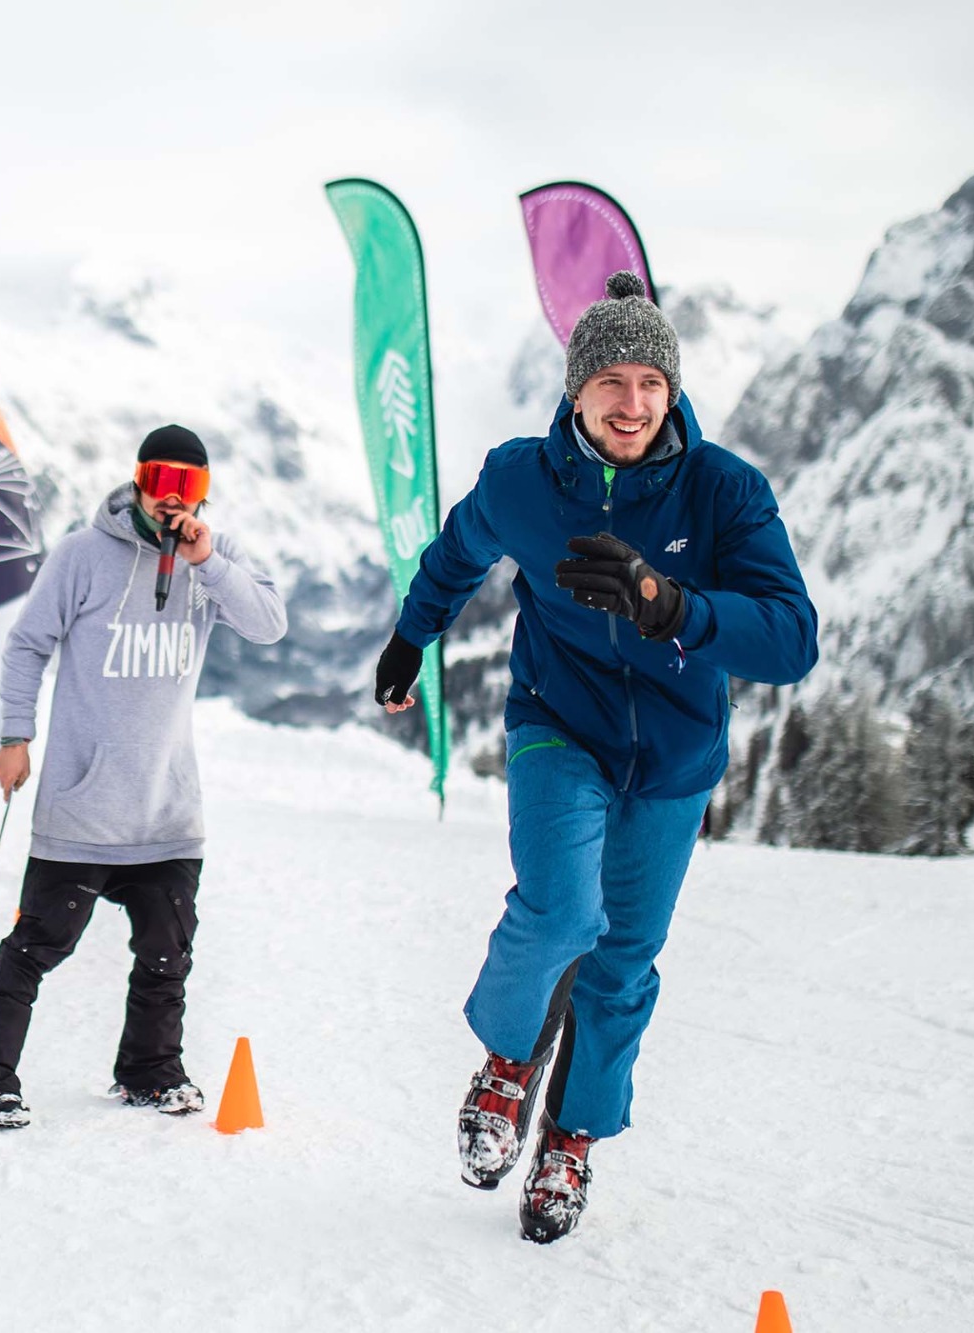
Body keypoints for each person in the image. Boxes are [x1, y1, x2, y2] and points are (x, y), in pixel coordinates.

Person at [373, 273, 818, 1243]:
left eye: (648, 382)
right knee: (559, 910)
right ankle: (505, 1066)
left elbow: (790, 638)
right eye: (608, 380)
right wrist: (413, 634)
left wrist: (674, 608)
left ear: (669, 390)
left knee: (620, 961)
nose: (629, 402)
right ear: (574, 389)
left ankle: (568, 1138)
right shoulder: (522, 479)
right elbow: (456, 551)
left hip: (672, 755)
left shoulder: (722, 491)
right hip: (555, 722)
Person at [0, 424, 287, 1129]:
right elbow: (27, 645)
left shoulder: (215, 558)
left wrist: (208, 562)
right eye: (161, 479)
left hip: (166, 808)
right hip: (83, 803)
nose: (172, 497)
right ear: (138, 480)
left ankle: (148, 1071)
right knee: (37, 946)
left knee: (169, 954)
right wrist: (16, 735)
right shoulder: (81, 556)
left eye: (189, 485)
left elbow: (269, 626)